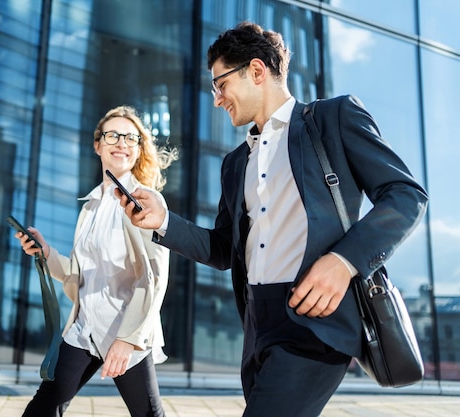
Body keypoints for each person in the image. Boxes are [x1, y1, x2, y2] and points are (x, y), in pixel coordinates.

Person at [115, 22, 428, 417]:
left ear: (257, 71)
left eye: (220, 84)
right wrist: (163, 221)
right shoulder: (234, 164)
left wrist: (343, 262)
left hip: (317, 319)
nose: (216, 99)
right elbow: (223, 249)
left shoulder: (332, 119)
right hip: (258, 324)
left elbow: (405, 196)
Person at [15, 105, 178, 417]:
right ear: (98, 145)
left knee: (149, 415)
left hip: (125, 329)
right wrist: (46, 252)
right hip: (84, 328)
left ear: (139, 148)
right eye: (113, 135)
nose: (121, 143)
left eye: (131, 138)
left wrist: (128, 340)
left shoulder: (145, 202)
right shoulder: (90, 206)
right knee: (43, 408)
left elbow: (154, 279)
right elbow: (79, 274)